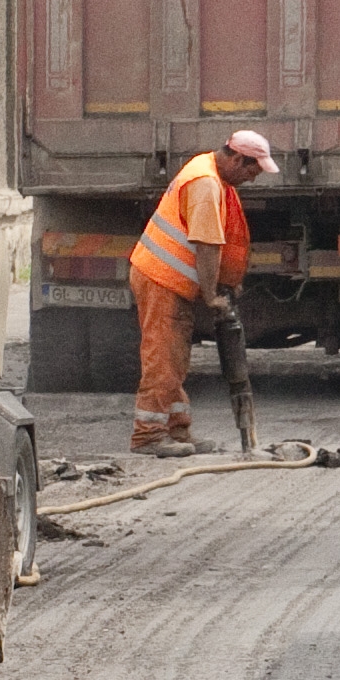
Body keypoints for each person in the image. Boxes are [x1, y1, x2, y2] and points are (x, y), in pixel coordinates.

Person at [126, 129, 275, 456]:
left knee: (176, 359)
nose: (252, 179)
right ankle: (148, 436)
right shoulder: (206, 183)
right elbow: (207, 245)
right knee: (162, 358)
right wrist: (211, 296)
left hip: (170, 281)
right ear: (237, 159)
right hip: (160, 279)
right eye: (252, 170)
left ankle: (177, 431)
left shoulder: (208, 170)